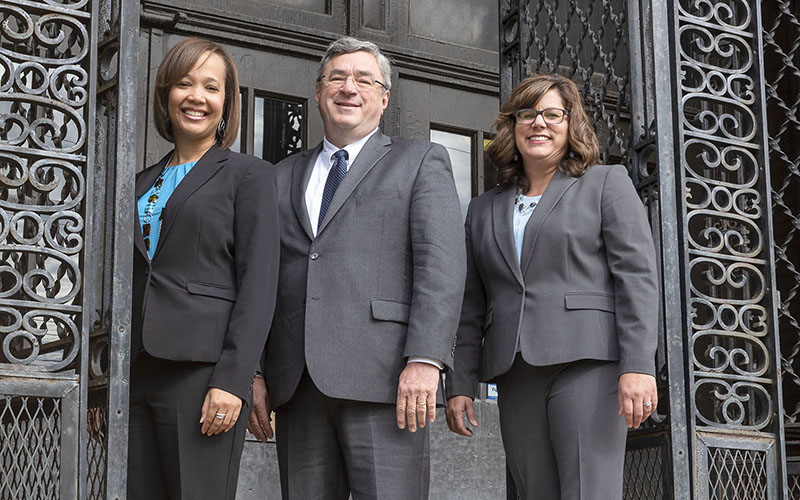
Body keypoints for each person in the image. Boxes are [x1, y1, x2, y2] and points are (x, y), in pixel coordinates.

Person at [247, 36, 466, 499]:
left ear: (383, 98)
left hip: (387, 381)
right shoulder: (279, 175)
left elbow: (440, 267)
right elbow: (260, 280)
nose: (349, 88)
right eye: (337, 78)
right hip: (298, 384)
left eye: (364, 80)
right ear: (318, 92)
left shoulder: (421, 160)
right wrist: (256, 372)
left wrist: (425, 360)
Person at [445, 74, 659, 499]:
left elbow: (636, 277)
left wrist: (638, 365)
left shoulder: (605, 184)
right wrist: (460, 384)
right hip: (516, 370)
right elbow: (470, 307)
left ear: (570, 123)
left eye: (552, 114)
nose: (538, 123)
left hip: (588, 363)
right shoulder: (483, 209)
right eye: (527, 114)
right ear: (512, 125)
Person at [129, 37, 279, 500]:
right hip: (134, 373)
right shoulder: (137, 182)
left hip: (201, 376)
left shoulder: (248, 175)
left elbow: (259, 283)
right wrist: (103, 384)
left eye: (211, 87)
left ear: (227, 102)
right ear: (165, 95)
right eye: (184, 83)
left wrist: (234, 379)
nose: (196, 96)